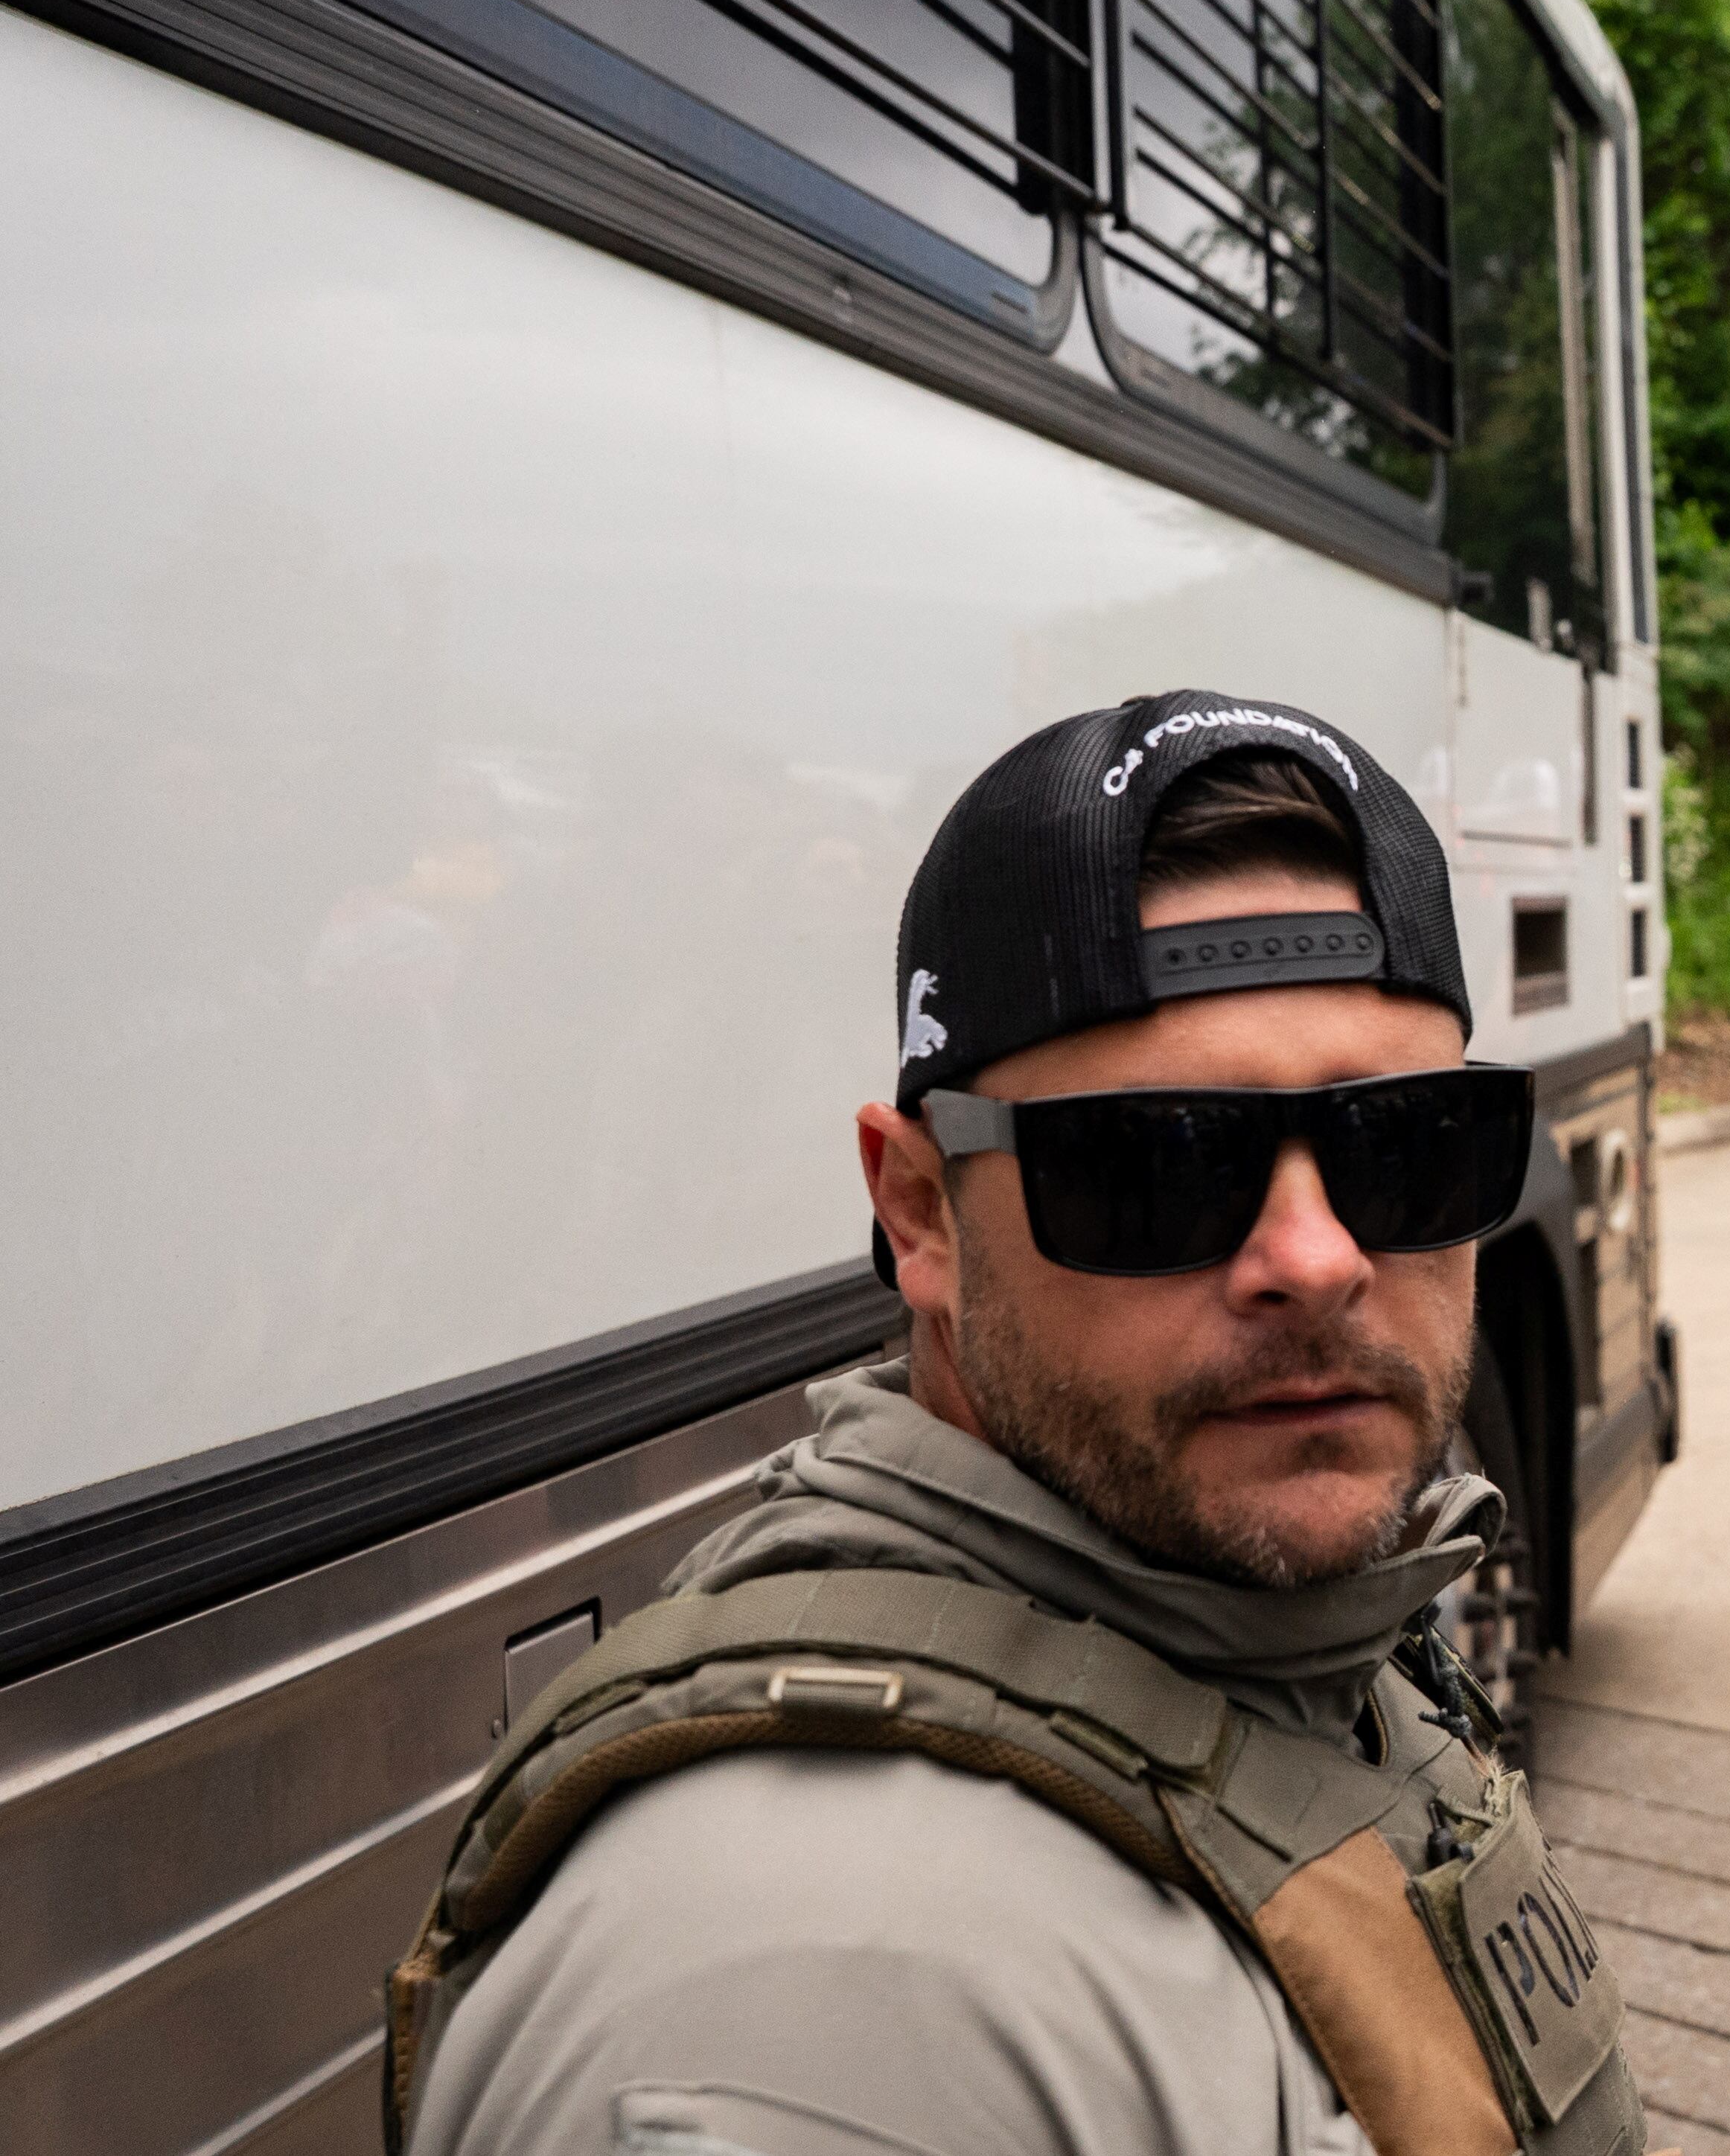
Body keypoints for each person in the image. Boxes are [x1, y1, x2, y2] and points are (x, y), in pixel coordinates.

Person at [393, 694, 1647, 2156]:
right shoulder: (808, 2006)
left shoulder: (1292, 1634)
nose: (1313, 1259)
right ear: (919, 1210)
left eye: (1412, 1147)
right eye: (1157, 1167)